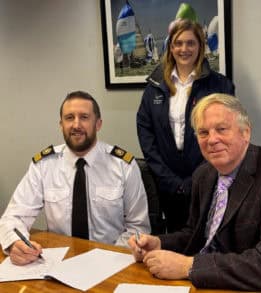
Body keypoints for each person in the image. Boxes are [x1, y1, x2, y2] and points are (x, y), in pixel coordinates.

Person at [129, 93, 261, 291]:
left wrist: (188, 267)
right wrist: (159, 243)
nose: (212, 139)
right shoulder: (204, 174)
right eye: (203, 132)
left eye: (222, 129)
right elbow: (195, 233)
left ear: (245, 132)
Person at [0, 90, 150, 265]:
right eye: (69, 118)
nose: (76, 125)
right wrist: (14, 244)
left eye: (84, 117)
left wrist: (110, 258)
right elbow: (14, 216)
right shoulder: (43, 166)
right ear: (61, 124)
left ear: (98, 124)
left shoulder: (124, 166)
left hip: (110, 261)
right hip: (58, 262)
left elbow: (139, 228)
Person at [137, 19, 234, 233]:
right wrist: (167, 178)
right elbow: (145, 132)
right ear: (171, 47)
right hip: (166, 182)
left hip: (209, 177)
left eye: (191, 43)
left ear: (200, 46)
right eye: (178, 43)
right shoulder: (154, 86)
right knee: (174, 240)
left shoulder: (220, 85)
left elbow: (225, 133)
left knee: (207, 239)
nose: (184, 49)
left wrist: (197, 177)